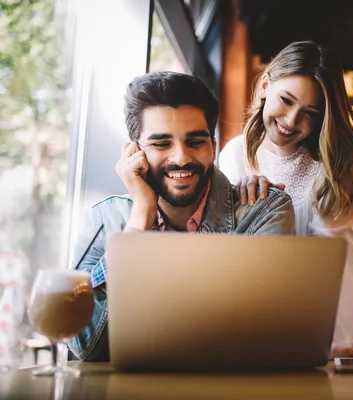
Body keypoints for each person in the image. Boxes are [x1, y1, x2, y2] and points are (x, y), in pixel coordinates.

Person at [68, 71, 295, 362]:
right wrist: (138, 223)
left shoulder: (263, 211)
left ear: (213, 147)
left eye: (195, 141)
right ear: (133, 152)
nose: (181, 158)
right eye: (161, 144)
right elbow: (84, 345)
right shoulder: (104, 219)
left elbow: (266, 337)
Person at [219, 41, 353, 358]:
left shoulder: (335, 169)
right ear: (266, 85)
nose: (291, 121)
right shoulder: (233, 157)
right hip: (301, 308)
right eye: (286, 100)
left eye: (309, 113)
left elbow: (320, 269)